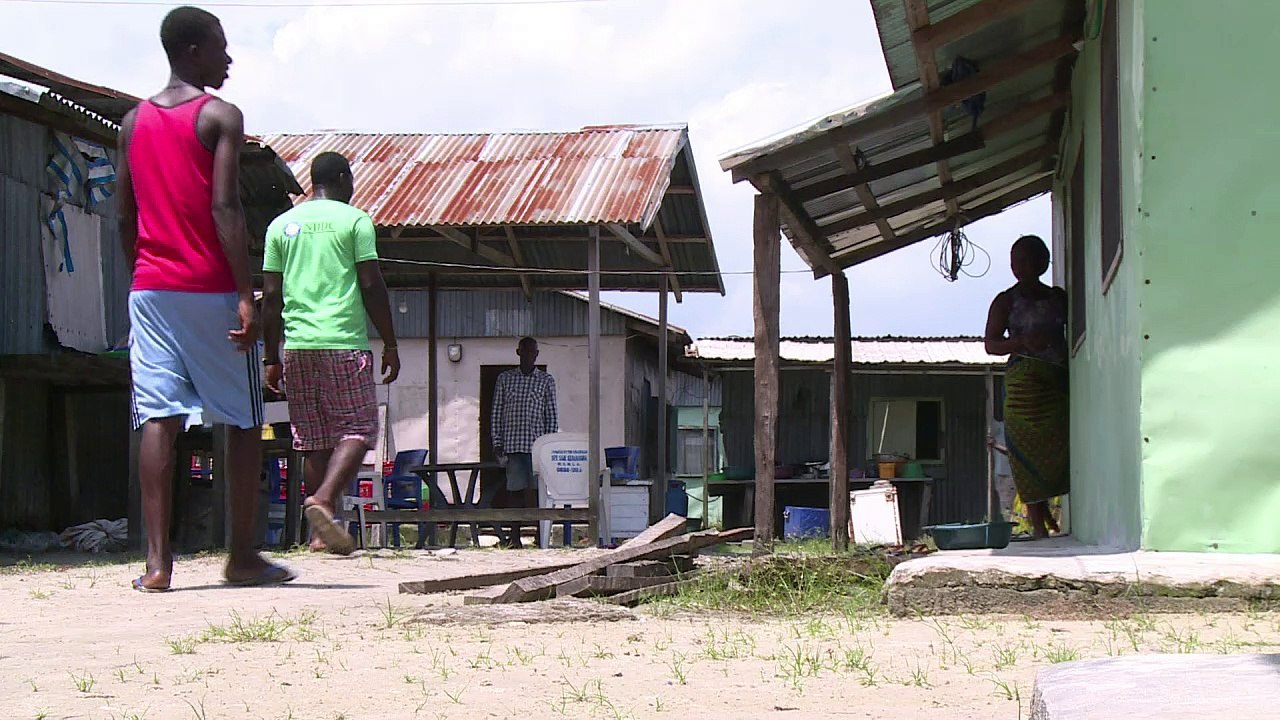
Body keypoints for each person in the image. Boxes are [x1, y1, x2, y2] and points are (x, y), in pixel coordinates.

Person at [117, 6, 293, 591]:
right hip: (209, 289)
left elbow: (124, 213)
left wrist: (138, 279)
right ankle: (241, 557)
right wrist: (248, 295)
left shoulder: (132, 122)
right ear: (193, 50)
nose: (230, 58)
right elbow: (225, 209)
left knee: (158, 418)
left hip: (151, 292)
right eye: (221, 47)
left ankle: (157, 565)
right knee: (243, 420)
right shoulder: (220, 116)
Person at [261, 152, 400, 556]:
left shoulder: (280, 227)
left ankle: (324, 534)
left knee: (314, 442)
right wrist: (390, 341)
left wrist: (271, 356)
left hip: (298, 346)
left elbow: (270, 296)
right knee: (359, 429)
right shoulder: (354, 221)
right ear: (343, 179)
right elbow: (371, 284)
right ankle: (323, 503)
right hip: (342, 342)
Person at [983, 235, 1069, 539]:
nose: (1018, 267)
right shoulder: (1005, 301)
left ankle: (1048, 511)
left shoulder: (1058, 298)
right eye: (1014, 260)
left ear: (1043, 263)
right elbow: (990, 345)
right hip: (1023, 389)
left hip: (1056, 385)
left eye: (1026, 259)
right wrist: (1020, 342)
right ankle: (1036, 526)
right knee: (1024, 455)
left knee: (1059, 450)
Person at [491, 337, 559, 548]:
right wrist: (497, 442)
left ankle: (541, 536)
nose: (529, 355)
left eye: (532, 352)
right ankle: (515, 538)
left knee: (539, 493)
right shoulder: (505, 379)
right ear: (518, 352)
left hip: (538, 447)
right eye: (525, 351)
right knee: (515, 492)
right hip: (512, 445)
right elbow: (496, 412)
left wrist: (549, 445)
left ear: (537, 355)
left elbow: (551, 415)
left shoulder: (546, 381)